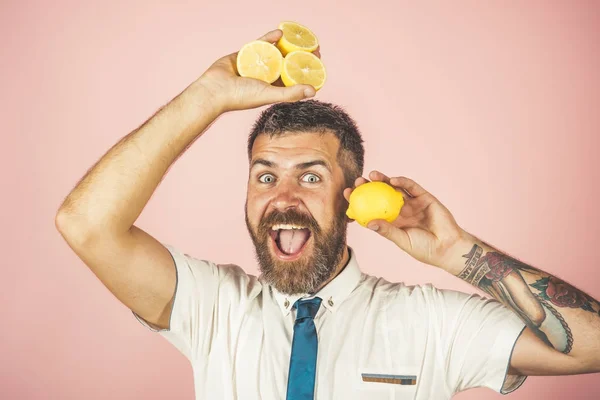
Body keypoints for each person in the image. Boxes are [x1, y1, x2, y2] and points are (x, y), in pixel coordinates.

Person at [55, 29, 600, 400]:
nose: (283, 196)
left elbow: (591, 348)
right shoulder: (210, 307)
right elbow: (85, 224)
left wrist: (461, 254)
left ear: (352, 195)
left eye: (311, 175)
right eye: (265, 176)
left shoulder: (433, 323)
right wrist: (207, 96)